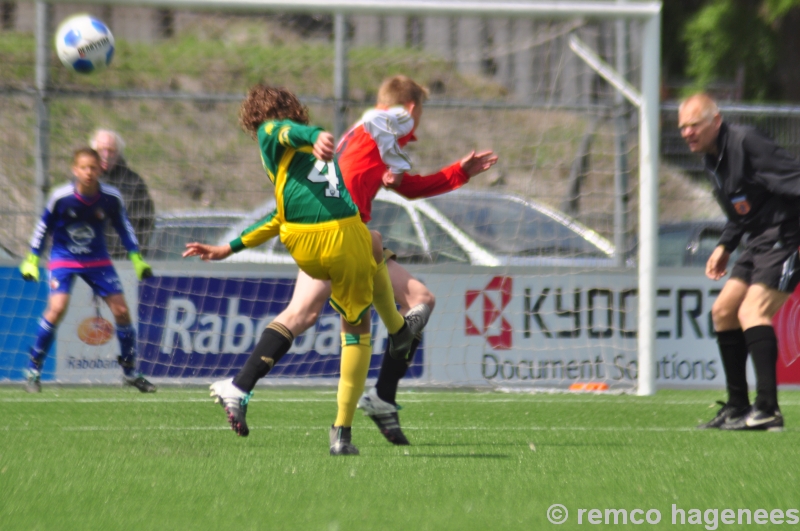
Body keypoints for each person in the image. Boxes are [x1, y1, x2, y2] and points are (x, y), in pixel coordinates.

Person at [183, 84, 427, 456]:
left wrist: (226, 248)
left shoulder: (288, 165)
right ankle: (343, 430)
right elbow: (285, 130)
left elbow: (278, 216)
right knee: (357, 328)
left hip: (304, 244)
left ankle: (240, 387)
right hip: (340, 240)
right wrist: (316, 135)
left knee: (371, 243)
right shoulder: (280, 134)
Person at [259, 75, 498, 445]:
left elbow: (403, 185)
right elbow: (354, 177)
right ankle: (347, 417)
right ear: (412, 109)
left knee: (412, 301)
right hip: (341, 239)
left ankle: (379, 399)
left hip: (346, 237)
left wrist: (457, 173)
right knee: (323, 319)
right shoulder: (381, 127)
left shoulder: (371, 132)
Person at [679, 93, 800, 431]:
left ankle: (768, 410)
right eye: (683, 127)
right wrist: (725, 245)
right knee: (723, 312)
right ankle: (736, 407)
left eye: (694, 125)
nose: (688, 133)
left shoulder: (748, 142)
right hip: (758, 240)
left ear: (716, 121)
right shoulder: (711, 160)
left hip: (787, 234)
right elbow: (741, 210)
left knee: (752, 312)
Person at [19, 147, 156, 394]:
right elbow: (43, 227)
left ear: (100, 169)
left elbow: (124, 227)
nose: (89, 172)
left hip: (97, 260)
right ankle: (33, 370)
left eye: (93, 167)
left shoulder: (111, 197)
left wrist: (137, 258)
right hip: (64, 258)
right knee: (57, 308)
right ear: (75, 170)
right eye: (83, 167)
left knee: (122, 311)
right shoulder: (61, 197)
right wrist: (32, 259)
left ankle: (130, 372)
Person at [90, 129, 156, 259]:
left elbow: (146, 223)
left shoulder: (133, 183)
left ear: (118, 154)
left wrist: (133, 253)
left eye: (111, 151)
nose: (106, 155)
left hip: (122, 259)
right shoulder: (81, 183)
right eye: (101, 150)